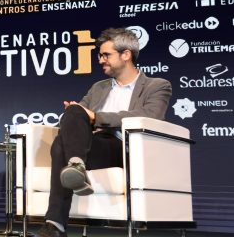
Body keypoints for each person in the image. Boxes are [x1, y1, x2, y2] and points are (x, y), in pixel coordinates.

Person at [37, 28, 172, 237]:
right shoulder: (98, 88)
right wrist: (77, 114)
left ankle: (56, 223)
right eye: (100, 55)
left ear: (126, 54)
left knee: (60, 145)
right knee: (70, 120)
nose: (101, 60)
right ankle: (76, 167)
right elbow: (76, 117)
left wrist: (95, 117)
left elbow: (150, 115)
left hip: (123, 148)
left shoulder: (157, 85)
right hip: (91, 144)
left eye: (106, 55)